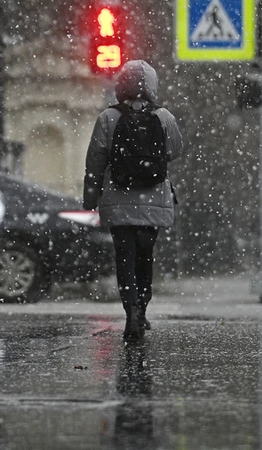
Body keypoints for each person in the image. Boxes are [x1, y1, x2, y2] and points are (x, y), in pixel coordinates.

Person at [83, 60, 183, 340]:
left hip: (118, 198)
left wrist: (90, 199)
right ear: (152, 86)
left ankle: (132, 313)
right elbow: (175, 149)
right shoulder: (163, 116)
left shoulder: (108, 118)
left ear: (120, 86)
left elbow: (95, 162)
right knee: (144, 257)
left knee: (123, 258)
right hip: (153, 198)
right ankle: (143, 308)